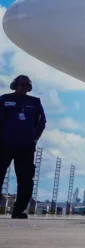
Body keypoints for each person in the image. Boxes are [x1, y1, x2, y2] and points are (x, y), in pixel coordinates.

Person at [0, 75, 46, 219]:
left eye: (26, 85)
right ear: (15, 85)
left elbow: (42, 122)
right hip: (4, 144)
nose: (24, 87)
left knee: (26, 179)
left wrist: (34, 139)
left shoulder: (35, 102)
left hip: (26, 146)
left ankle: (19, 209)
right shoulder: (4, 99)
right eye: (21, 84)